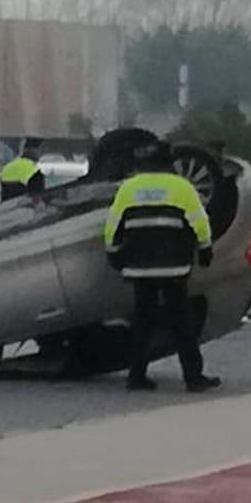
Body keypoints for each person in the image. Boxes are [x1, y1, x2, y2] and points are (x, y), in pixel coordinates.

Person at [102, 142, 220, 393]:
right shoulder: (181, 187)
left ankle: (136, 377)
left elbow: (112, 226)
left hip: (140, 268)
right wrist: (205, 248)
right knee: (181, 323)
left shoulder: (129, 188)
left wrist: (114, 255)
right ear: (169, 164)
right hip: (174, 267)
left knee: (143, 322)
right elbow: (200, 222)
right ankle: (193, 377)